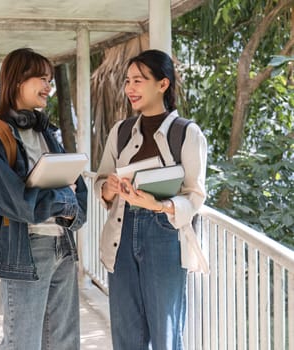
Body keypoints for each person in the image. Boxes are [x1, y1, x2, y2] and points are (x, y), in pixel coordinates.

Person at [94, 49, 208, 349]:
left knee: (165, 334)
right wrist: (111, 187)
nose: (130, 88)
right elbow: (101, 183)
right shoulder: (120, 132)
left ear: (162, 84)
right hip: (121, 232)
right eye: (128, 81)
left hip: (165, 235)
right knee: (126, 334)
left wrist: (159, 205)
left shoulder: (187, 133)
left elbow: (195, 197)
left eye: (139, 80)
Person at [0, 48, 88, 350]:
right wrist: (64, 198)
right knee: (22, 342)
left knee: (64, 342)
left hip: (62, 245)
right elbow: (12, 200)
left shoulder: (46, 132)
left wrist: (65, 201)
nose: (48, 86)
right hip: (26, 248)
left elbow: (79, 192)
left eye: (49, 79)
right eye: (41, 78)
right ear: (16, 82)